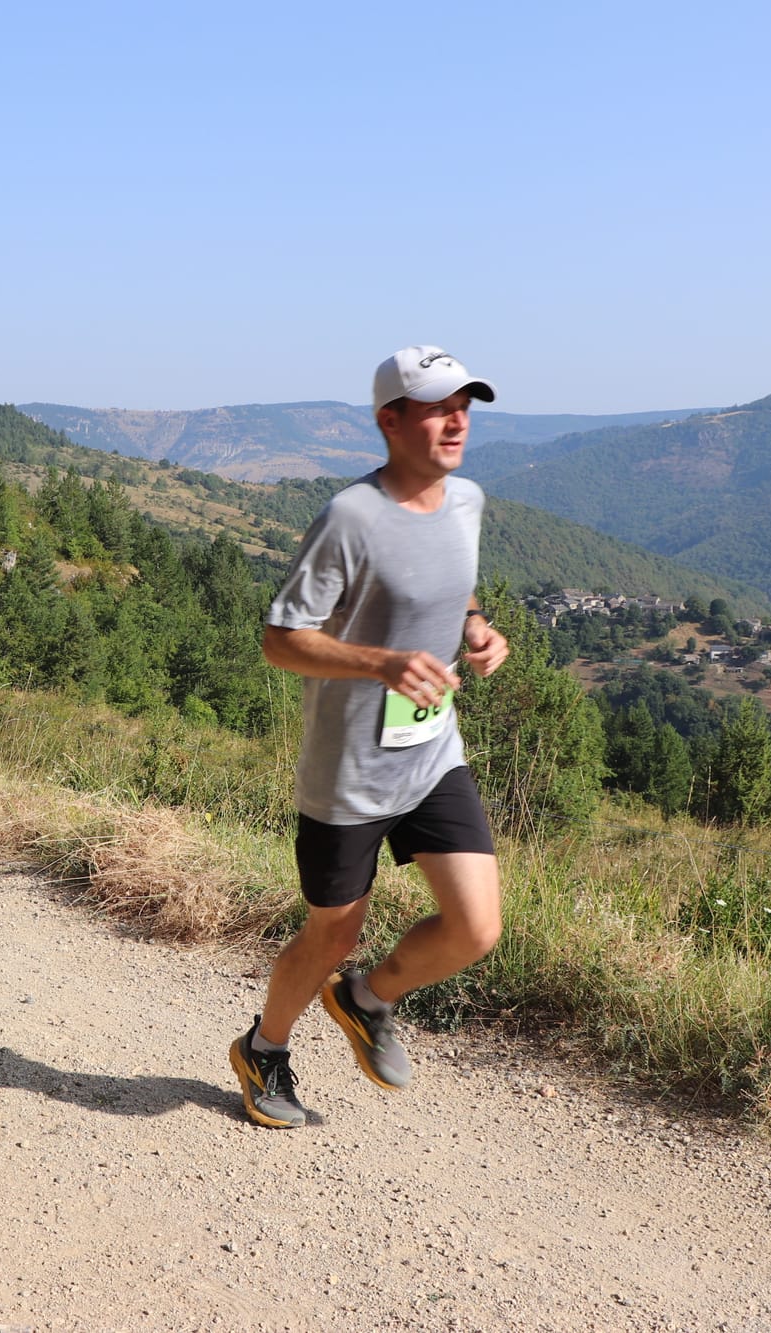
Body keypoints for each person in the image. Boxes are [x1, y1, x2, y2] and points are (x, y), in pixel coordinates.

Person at [229, 347, 511, 1128]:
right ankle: (264, 1049)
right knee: (333, 931)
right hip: (348, 773)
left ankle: (366, 997)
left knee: (475, 926)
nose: (457, 420)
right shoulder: (351, 517)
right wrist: (379, 662)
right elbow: (281, 638)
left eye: (466, 405)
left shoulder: (468, 502)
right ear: (391, 421)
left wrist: (479, 628)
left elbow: (454, 588)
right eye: (437, 406)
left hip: (431, 757)